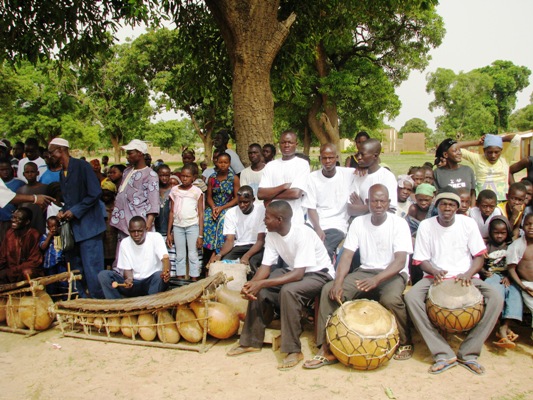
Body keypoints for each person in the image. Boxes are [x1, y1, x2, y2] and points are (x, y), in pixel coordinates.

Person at [303, 184, 414, 369]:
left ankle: (405, 341)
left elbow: (400, 261)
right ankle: (327, 348)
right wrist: (338, 283)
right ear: (367, 202)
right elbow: (346, 256)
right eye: (374, 201)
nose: (378, 204)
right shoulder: (359, 222)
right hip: (365, 271)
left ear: (388, 202)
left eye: (382, 201)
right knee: (328, 290)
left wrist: (376, 280)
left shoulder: (399, 223)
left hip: (392, 273)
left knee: (391, 298)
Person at [404, 187, 503, 375]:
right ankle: (442, 352)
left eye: (451, 204)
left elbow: (479, 256)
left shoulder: (468, 224)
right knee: (411, 298)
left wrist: (468, 273)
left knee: (496, 298)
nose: (447, 208)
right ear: (437, 206)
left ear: (457, 207)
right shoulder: (427, 225)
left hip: (465, 276)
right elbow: (420, 260)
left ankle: (469, 351)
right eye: (443, 204)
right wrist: (434, 270)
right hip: (434, 277)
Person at [227, 201, 334, 370]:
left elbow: (299, 274)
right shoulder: (272, 234)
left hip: (319, 273)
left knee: (288, 291)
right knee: (259, 288)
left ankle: (293, 350)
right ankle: (251, 341)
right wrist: (252, 284)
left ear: (279, 219)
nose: (264, 221)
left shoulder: (303, 233)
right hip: (295, 270)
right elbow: (265, 267)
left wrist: (261, 282)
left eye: (267, 218)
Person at [48, 137, 106, 299]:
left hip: (89, 229)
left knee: (93, 270)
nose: (49, 156)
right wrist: (63, 211)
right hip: (74, 231)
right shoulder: (62, 173)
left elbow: (95, 193)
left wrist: (75, 211)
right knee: (76, 270)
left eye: (51, 152)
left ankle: (100, 306)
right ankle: (83, 302)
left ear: (61, 151)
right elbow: (70, 200)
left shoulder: (82, 167)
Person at [111, 139, 159, 264]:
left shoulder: (150, 174)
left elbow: (153, 201)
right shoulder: (127, 171)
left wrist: (148, 223)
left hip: (138, 222)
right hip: (124, 221)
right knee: (124, 253)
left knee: (139, 255)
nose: (127, 156)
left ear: (140, 154)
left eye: (130, 153)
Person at [303, 143, 354, 260]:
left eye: (331, 157)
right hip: (314, 223)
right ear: (320, 158)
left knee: (323, 251)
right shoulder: (312, 178)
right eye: (324, 158)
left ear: (336, 158)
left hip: (337, 225)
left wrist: (362, 168)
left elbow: (367, 170)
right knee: (303, 247)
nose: (327, 161)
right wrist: (317, 227)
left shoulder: (348, 174)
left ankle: (325, 275)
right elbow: (311, 208)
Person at [98, 216, 170, 299]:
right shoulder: (125, 243)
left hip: (152, 283)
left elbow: (166, 260)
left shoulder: (156, 237)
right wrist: (129, 280)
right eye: (133, 231)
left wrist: (166, 272)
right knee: (103, 275)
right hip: (135, 285)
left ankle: (150, 305)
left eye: (139, 231)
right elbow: (127, 270)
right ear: (129, 231)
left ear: (146, 229)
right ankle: (116, 306)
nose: (136, 234)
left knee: (158, 276)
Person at [480, 216, 522, 349]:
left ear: (507, 233)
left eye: (502, 233)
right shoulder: (486, 246)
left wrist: (509, 276)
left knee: (515, 293)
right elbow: (479, 263)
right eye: (496, 232)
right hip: (492, 275)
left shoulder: (512, 246)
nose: (499, 236)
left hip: (507, 276)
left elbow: (516, 265)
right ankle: (500, 329)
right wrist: (483, 271)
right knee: (496, 293)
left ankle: (505, 326)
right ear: (490, 232)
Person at [210, 186, 266, 274]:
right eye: (240, 202)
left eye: (246, 202)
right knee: (225, 262)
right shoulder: (231, 213)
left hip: (257, 246)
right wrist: (219, 255)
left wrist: (246, 256)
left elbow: (260, 241)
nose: (242, 205)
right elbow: (229, 241)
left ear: (253, 200)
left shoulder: (261, 210)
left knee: (253, 263)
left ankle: (254, 286)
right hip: (240, 246)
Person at [258, 130, 310, 225]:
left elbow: (295, 193)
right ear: (279, 144)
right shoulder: (270, 166)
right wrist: (283, 187)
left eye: (290, 142)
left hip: (294, 220)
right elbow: (260, 194)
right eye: (283, 142)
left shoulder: (302, 164)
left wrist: (270, 195)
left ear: (296, 144)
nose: (286, 145)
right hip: (272, 219)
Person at [167, 164, 204, 280]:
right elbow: (172, 211)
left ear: (193, 177)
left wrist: (200, 235)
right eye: (182, 176)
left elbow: (200, 213)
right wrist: (169, 232)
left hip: (192, 226)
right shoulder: (174, 190)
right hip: (178, 226)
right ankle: (180, 279)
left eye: (187, 176)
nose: (184, 178)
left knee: (193, 254)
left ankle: (194, 278)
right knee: (180, 254)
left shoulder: (197, 192)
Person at [457, 133, 520, 202]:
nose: (493, 155)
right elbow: (454, 146)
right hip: (482, 202)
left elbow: (516, 138)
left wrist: (497, 139)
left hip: (502, 200)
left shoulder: (505, 159)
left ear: (501, 151)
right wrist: (477, 142)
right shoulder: (477, 159)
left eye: (496, 152)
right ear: (484, 151)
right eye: (489, 152)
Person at [203, 152, 239, 261]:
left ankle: (218, 253)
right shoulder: (212, 178)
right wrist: (214, 207)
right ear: (216, 163)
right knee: (207, 218)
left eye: (225, 162)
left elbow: (237, 198)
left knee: (223, 220)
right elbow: (208, 197)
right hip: (214, 207)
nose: (223, 165)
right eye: (220, 162)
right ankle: (208, 253)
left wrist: (222, 208)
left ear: (229, 163)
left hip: (228, 207)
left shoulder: (234, 178)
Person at [348, 139, 398, 216]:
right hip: (362, 222)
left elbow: (391, 210)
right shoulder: (359, 176)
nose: (359, 157)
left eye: (362, 154)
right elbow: (350, 209)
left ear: (375, 156)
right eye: (358, 154)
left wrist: (363, 206)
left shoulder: (387, 177)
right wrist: (376, 207)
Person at [507, 213, 533, 340]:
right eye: (528, 224)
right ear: (522, 226)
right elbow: (511, 269)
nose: (531, 227)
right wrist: (523, 287)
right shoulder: (517, 246)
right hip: (527, 285)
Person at [0, 207, 43, 283]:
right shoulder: (9, 234)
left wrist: (12, 271)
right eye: (13, 217)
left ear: (27, 222)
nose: (13, 220)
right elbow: (2, 257)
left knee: (28, 272)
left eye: (18, 219)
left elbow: (34, 261)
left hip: (25, 271)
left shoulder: (34, 235)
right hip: (10, 272)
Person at [433, 138, 476, 205]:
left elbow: (473, 193)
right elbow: (436, 195)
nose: (459, 153)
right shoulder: (437, 173)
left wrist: (472, 210)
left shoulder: (468, 170)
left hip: (466, 211)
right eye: (455, 151)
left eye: (459, 150)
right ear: (445, 155)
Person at [154, 164, 176, 276]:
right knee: (157, 257)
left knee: (171, 257)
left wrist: (171, 232)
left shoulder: (173, 191)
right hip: (156, 230)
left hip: (169, 230)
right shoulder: (154, 190)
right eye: (161, 175)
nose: (164, 178)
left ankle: (170, 280)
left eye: (167, 175)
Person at [39, 216, 68, 299]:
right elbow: (43, 247)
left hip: (61, 263)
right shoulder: (45, 236)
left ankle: (65, 299)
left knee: (63, 282)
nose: (54, 229)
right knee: (51, 283)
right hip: (50, 264)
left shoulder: (63, 236)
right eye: (51, 227)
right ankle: (53, 300)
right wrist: (49, 237)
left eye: (56, 226)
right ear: (48, 227)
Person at [16, 162, 48, 235]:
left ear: (37, 173)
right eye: (27, 172)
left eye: (32, 172)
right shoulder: (20, 190)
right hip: (26, 224)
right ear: (24, 174)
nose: (30, 174)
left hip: (41, 221)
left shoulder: (45, 188)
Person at [0, 158, 25, 241]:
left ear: (11, 169)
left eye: (7, 169)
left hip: (13, 221)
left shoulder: (19, 183)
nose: (5, 172)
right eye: (2, 170)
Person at [101, 178, 118, 269]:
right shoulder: (99, 207)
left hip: (114, 238)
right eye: (104, 192)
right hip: (103, 240)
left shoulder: (117, 207)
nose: (105, 195)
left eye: (108, 192)